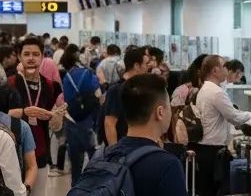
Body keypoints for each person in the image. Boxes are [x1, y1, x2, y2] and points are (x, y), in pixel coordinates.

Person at [195, 55, 251, 196]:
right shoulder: (216, 92)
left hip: (206, 148)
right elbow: (234, 117)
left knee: (206, 194)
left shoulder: (206, 89)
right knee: (214, 193)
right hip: (213, 150)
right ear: (215, 70)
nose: (227, 69)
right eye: (224, 66)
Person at [8, 36, 62, 168]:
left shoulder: (51, 86)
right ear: (20, 57)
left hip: (40, 150)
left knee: (39, 189)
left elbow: (55, 123)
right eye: (26, 54)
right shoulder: (8, 84)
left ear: (42, 57)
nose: (31, 58)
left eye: (36, 54)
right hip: (11, 152)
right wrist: (22, 113)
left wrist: (57, 119)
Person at [62, 44, 102, 181]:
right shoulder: (87, 73)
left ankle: (75, 189)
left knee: (76, 163)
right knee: (94, 156)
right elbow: (98, 94)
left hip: (71, 119)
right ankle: (94, 185)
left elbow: (65, 98)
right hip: (88, 121)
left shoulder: (67, 76)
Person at [103, 47, 148, 148]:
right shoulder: (116, 90)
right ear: (137, 65)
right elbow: (110, 123)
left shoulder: (140, 88)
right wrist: (114, 151)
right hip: (123, 148)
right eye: (145, 64)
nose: (147, 68)